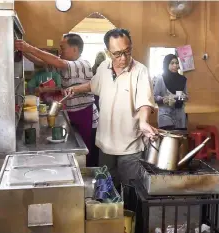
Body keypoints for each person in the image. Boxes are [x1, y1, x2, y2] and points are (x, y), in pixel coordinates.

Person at [64, 28, 158, 186]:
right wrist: (75, 89)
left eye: (127, 51)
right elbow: (93, 85)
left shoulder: (140, 71)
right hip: (105, 144)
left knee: (130, 193)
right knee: (105, 191)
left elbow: (144, 102)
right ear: (108, 52)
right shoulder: (103, 68)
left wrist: (143, 122)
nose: (123, 58)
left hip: (130, 146)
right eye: (117, 53)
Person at [15, 33, 99, 166]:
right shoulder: (64, 65)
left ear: (75, 49)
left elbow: (57, 62)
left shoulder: (82, 64)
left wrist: (29, 47)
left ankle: (92, 179)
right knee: (79, 146)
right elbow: (42, 62)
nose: (60, 51)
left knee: (88, 154)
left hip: (86, 115)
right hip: (74, 114)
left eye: (62, 47)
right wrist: (23, 51)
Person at [154, 54, 188, 130]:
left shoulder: (182, 80)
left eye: (177, 63)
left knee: (179, 140)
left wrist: (179, 97)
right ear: (166, 64)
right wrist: (163, 99)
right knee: (168, 140)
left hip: (180, 117)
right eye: (172, 63)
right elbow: (155, 97)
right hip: (165, 116)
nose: (175, 65)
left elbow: (186, 97)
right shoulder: (160, 79)